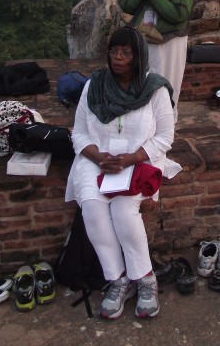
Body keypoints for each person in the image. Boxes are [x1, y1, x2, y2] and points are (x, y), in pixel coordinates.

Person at [65, 26, 181, 320]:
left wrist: (131, 158)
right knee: (92, 210)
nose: (117, 58)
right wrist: (98, 157)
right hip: (97, 158)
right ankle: (118, 280)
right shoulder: (94, 86)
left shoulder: (154, 89)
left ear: (138, 56)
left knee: (122, 210)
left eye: (126, 53)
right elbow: (79, 133)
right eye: (114, 51)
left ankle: (145, 278)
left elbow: (165, 137)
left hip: (138, 159)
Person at [119, 0, 195, 121]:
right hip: (143, 39)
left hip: (169, 42)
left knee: (165, 82)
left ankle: (165, 122)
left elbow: (180, 14)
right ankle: (142, 119)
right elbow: (125, 5)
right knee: (141, 80)